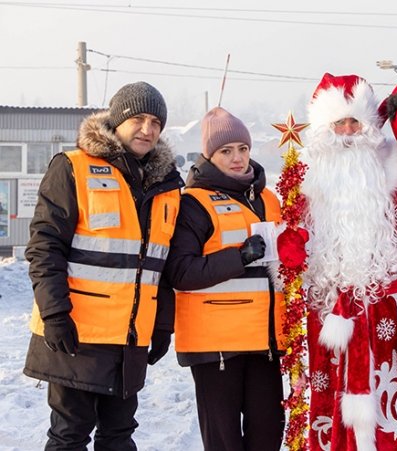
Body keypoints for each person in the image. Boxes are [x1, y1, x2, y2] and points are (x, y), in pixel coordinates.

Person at [296, 73, 397, 451]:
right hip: (328, 321)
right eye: (340, 123)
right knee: (327, 417)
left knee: (393, 423)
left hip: (393, 324)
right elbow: (290, 255)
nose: (349, 132)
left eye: (356, 122)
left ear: (371, 127)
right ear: (324, 129)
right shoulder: (302, 184)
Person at [24, 81, 183, 450]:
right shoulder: (72, 168)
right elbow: (45, 247)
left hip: (130, 338)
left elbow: (162, 265)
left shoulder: (167, 187)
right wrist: (55, 314)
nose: (148, 129)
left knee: (119, 435)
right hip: (77, 332)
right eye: (138, 119)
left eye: (156, 122)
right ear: (117, 120)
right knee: (69, 435)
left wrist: (162, 325)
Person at [163, 107, 285, 451]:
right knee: (224, 442)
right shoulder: (194, 203)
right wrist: (240, 256)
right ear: (209, 155)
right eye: (226, 151)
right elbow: (181, 272)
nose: (237, 158)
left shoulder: (269, 199)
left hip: (265, 342)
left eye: (242, 149)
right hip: (216, 346)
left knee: (268, 435)